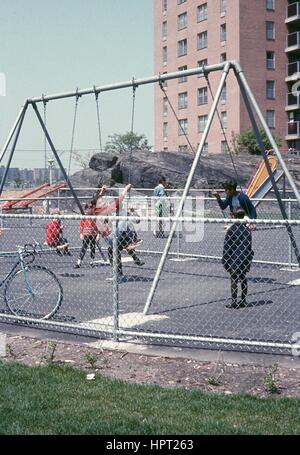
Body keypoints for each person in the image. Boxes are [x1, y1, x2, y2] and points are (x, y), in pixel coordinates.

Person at [222, 207, 254, 308]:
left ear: (234, 216)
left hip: (233, 260)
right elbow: (249, 246)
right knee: (243, 279)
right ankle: (243, 300)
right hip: (244, 259)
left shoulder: (231, 230)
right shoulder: (247, 230)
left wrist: (225, 261)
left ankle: (234, 302)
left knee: (234, 280)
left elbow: (227, 247)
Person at [74, 201, 100, 268]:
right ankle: (79, 262)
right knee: (84, 247)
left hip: (93, 234)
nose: (89, 209)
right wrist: (81, 233)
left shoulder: (95, 215)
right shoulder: (85, 216)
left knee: (92, 247)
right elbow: (81, 224)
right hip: (86, 234)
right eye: (87, 208)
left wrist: (98, 234)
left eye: (90, 208)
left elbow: (98, 225)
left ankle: (92, 261)